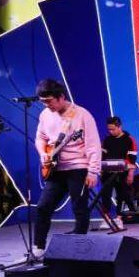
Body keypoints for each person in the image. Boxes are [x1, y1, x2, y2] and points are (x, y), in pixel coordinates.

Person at [32, 78, 102, 256]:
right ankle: (38, 247)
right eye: (43, 102)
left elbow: (93, 145)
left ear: (61, 97)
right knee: (43, 207)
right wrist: (42, 153)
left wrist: (93, 171)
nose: (47, 105)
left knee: (79, 207)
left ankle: (79, 249)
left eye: (49, 101)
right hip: (55, 169)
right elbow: (40, 138)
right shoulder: (45, 115)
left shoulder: (82, 115)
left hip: (78, 167)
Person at [101, 116, 139, 230]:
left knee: (121, 195)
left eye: (113, 129)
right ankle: (106, 218)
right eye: (109, 129)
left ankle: (119, 218)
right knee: (105, 195)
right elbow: (103, 157)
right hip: (108, 172)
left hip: (123, 172)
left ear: (119, 127)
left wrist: (131, 173)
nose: (111, 132)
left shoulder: (129, 139)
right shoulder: (107, 140)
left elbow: (132, 160)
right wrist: (101, 171)